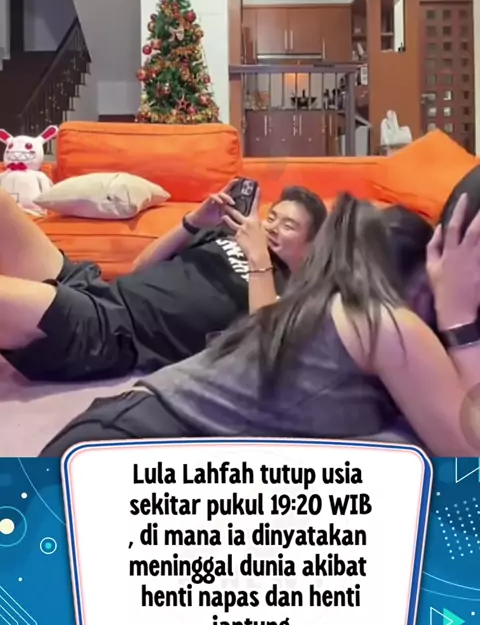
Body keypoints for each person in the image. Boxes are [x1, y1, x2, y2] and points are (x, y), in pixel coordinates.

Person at [40, 192, 480, 458]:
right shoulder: (381, 321)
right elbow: (469, 454)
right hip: (124, 447)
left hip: (114, 437)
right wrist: (458, 314)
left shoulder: (333, 307)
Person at [0, 183, 326, 382]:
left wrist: (258, 257)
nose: (272, 227)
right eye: (272, 217)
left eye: (288, 226)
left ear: (311, 246)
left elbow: (263, 347)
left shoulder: (289, 293)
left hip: (108, 332)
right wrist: (193, 222)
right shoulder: (224, 237)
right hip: (94, 287)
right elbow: (139, 267)